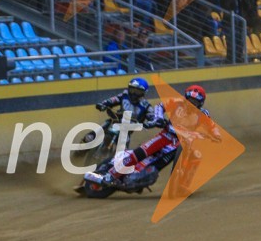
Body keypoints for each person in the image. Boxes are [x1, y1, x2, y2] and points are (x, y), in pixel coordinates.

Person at [91, 85, 222, 187]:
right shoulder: (177, 102)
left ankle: (182, 182)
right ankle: (111, 175)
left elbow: (211, 126)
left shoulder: (203, 113)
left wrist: (215, 135)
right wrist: (158, 118)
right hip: (167, 135)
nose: (192, 104)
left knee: (194, 153)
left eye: (195, 102)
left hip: (183, 142)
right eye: (190, 100)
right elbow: (160, 106)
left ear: (201, 103)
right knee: (141, 152)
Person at [84, 77, 154, 146]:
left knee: (125, 144)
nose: (134, 94)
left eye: (138, 92)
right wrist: (103, 104)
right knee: (106, 123)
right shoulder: (124, 96)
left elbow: (152, 116)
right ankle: (91, 136)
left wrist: (153, 122)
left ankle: (121, 156)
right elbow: (113, 99)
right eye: (132, 90)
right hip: (116, 120)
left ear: (144, 93)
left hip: (128, 128)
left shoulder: (146, 106)